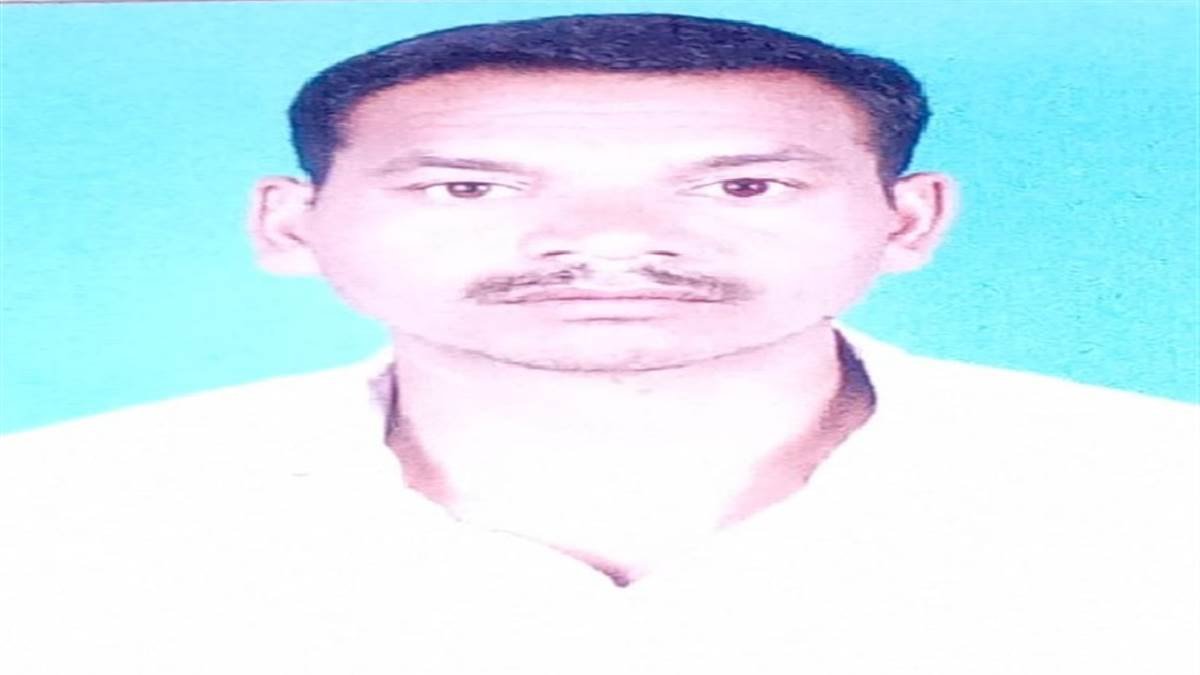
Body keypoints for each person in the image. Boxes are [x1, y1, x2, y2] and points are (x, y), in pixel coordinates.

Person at [2, 12, 1196, 675]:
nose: (613, 240)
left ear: (909, 220)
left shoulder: (1161, 498)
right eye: (471, 188)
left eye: (741, 186)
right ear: (290, 225)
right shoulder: (53, 519)